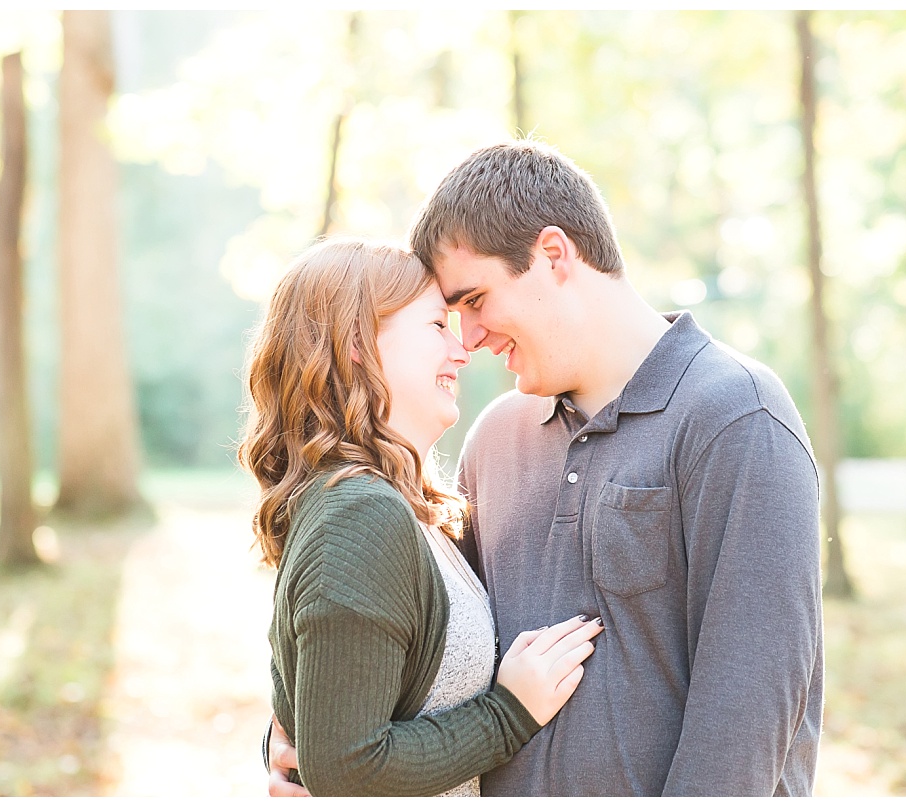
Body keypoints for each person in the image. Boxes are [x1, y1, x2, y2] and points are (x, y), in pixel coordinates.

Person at [268, 141, 824, 796]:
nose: (467, 339)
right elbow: (398, 647)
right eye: (450, 314)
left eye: (474, 300)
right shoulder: (495, 439)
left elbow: (747, 718)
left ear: (553, 255)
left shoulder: (736, 419)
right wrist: (298, 743)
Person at [239, 236, 605, 797]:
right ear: (356, 343)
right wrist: (509, 713)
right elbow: (348, 768)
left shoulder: (392, 507)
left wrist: (295, 745)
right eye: (438, 327)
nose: (461, 352)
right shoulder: (359, 517)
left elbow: (335, 714)